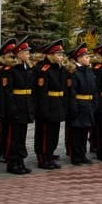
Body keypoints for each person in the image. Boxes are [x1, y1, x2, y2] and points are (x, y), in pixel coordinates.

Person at [0, 37, 35, 175]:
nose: (28, 55)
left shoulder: (27, 68)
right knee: (12, 137)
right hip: (15, 107)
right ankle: (12, 162)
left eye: (28, 52)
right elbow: (8, 92)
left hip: (25, 106)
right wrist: (12, 108)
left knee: (21, 136)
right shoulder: (10, 69)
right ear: (19, 54)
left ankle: (20, 161)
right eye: (26, 52)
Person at [33, 40, 67, 169]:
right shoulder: (43, 69)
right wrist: (43, 110)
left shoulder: (60, 69)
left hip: (57, 105)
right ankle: (43, 158)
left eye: (61, 55)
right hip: (47, 106)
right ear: (50, 55)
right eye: (58, 54)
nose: (61, 57)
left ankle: (50, 154)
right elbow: (41, 93)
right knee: (44, 134)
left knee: (53, 133)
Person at [66, 44, 97, 165]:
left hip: (88, 105)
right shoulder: (74, 72)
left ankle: (82, 154)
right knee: (76, 134)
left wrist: (94, 103)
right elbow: (72, 92)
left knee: (84, 132)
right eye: (86, 56)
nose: (88, 58)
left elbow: (94, 89)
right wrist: (74, 107)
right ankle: (75, 156)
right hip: (79, 105)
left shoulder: (89, 71)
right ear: (78, 58)